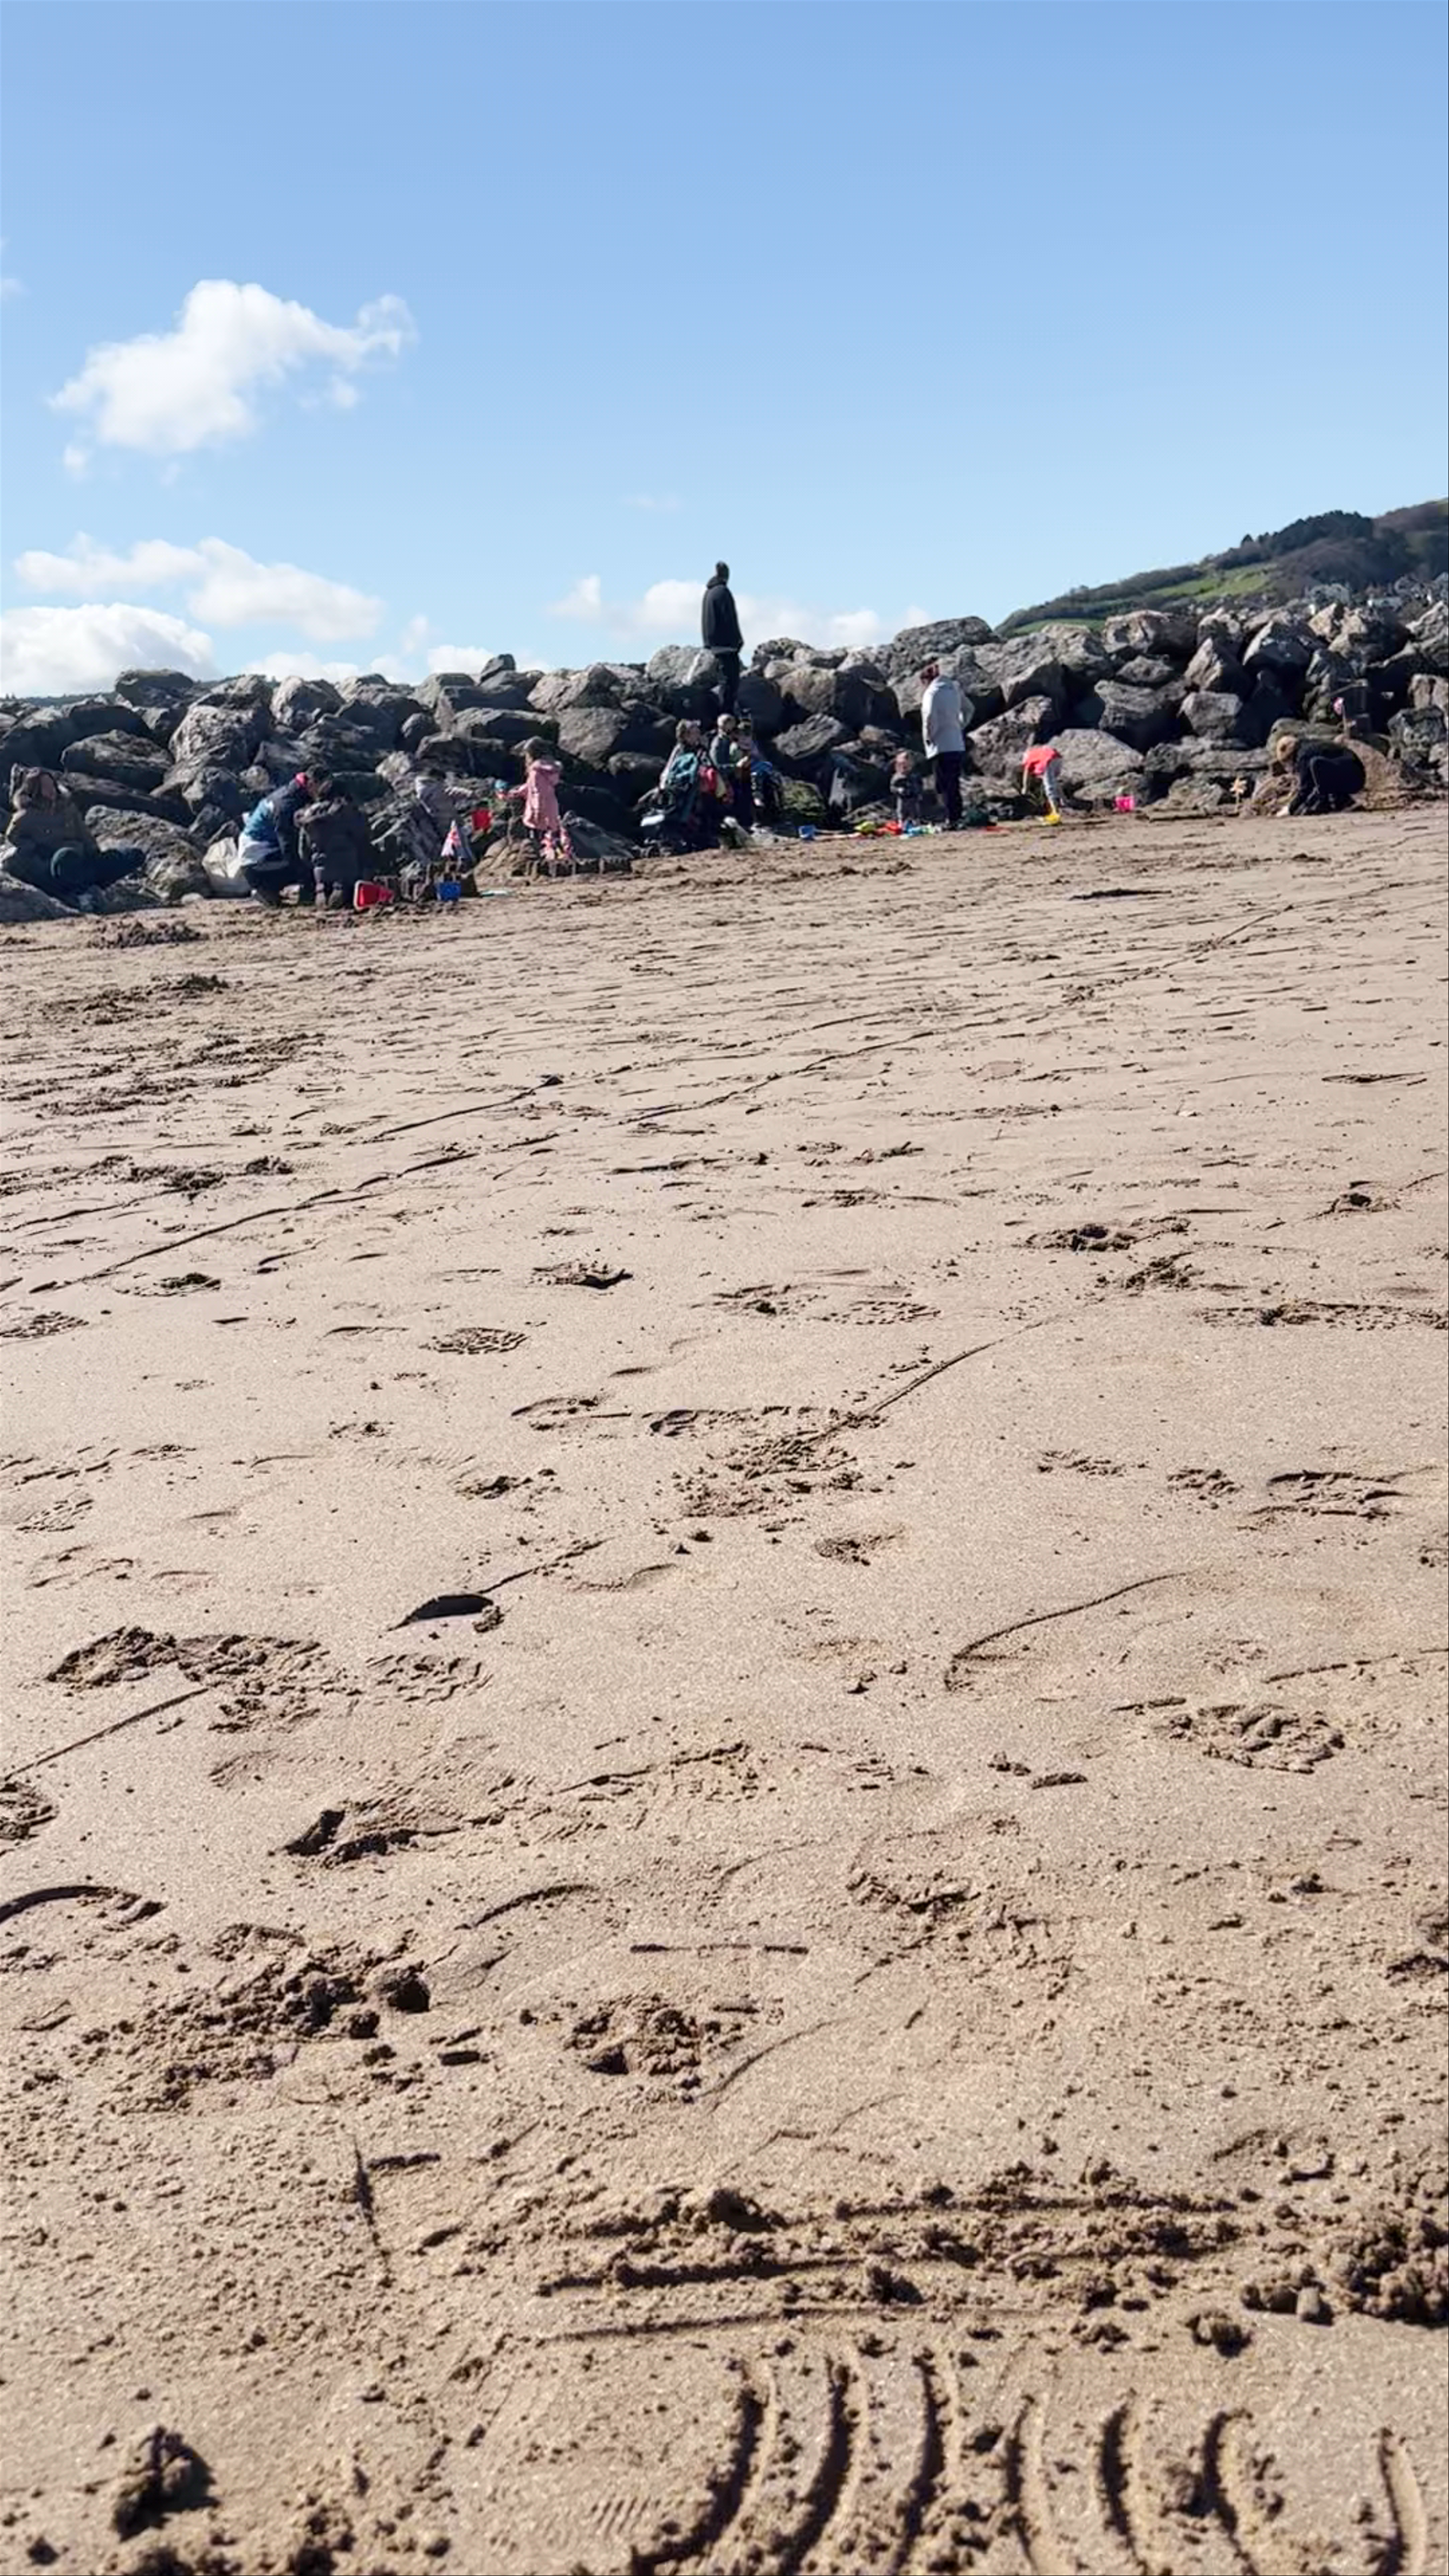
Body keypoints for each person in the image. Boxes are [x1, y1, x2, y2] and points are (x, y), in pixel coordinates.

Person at [2, 766, 149, 910]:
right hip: (55, 868)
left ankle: (88, 887)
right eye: (45, 786)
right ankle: (81, 895)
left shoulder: (68, 808)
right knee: (65, 857)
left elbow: (84, 835)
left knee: (131, 856)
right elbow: (13, 838)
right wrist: (37, 850)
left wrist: (96, 854)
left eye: (52, 784)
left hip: (82, 861)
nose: (51, 789)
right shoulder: (27, 816)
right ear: (35, 791)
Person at [237, 772, 316, 904]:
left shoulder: (285, 796)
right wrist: (308, 880)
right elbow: (288, 847)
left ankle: (268, 889)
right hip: (256, 864)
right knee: (310, 863)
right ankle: (265, 889)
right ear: (311, 785)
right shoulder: (285, 807)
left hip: (257, 855)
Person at [298, 777, 375, 904]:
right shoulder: (349, 812)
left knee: (324, 893)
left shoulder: (308, 816)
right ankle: (341, 892)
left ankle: (322, 892)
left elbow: (303, 852)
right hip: (347, 869)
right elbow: (364, 840)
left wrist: (315, 864)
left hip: (320, 872)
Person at [920, 662, 973, 826]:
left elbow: (930, 718)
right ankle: (957, 816)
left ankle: (950, 818)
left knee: (943, 784)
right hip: (956, 742)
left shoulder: (932, 693)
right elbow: (969, 709)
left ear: (926, 680)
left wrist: (930, 737)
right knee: (954, 783)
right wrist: (960, 726)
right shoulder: (954, 689)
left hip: (940, 745)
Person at [1279, 735, 1366, 815]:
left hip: (1352, 776)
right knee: (1320, 770)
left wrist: (1290, 809)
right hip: (1355, 775)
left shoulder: (1303, 756)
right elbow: (1314, 785)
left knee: (1317, 764)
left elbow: (1306, 788)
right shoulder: (1309, 747)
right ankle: (1343, 801)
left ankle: (1324, 803)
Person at [702, 562, 744, 714]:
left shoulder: (709, 593)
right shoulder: (723, 592)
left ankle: (723, 714)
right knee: (730, 684)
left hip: (713, 646)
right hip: (727, 647)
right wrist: (738, 641)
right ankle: (727, 715)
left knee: (722, 682)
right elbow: (730, 619)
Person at [520, 738, 568, 870]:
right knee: (553, 833)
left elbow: (536, 792)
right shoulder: (551, 768)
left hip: (538, 807)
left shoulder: (535, 770)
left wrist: (536, 811)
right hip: (552, 804)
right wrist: (520, 791)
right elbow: (537, 787)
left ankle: (541, 863)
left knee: (537, 837)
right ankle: (561, 858)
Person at [1021, 742, 1066, 820]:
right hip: (1058, 759)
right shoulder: (1038, 752)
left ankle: (1055, 813)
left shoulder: (1029, 756)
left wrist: (1025, 788)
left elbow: (1027, 772)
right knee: (1054, 782)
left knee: (1049, 787)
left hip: (1048, 760)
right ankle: (1064, 801)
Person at [891, 748, 922, 827]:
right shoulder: (897, 777)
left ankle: (916, 823)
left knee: (915, 811)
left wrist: (919, 792)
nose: (905, 768)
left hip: (913, 798)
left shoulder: (915, 775)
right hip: (903, 798)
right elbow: (892, 788)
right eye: (902, 766)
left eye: (908, 766)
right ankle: (901, 824)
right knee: (902, 812)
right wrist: (898, 790)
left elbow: (920, 784)